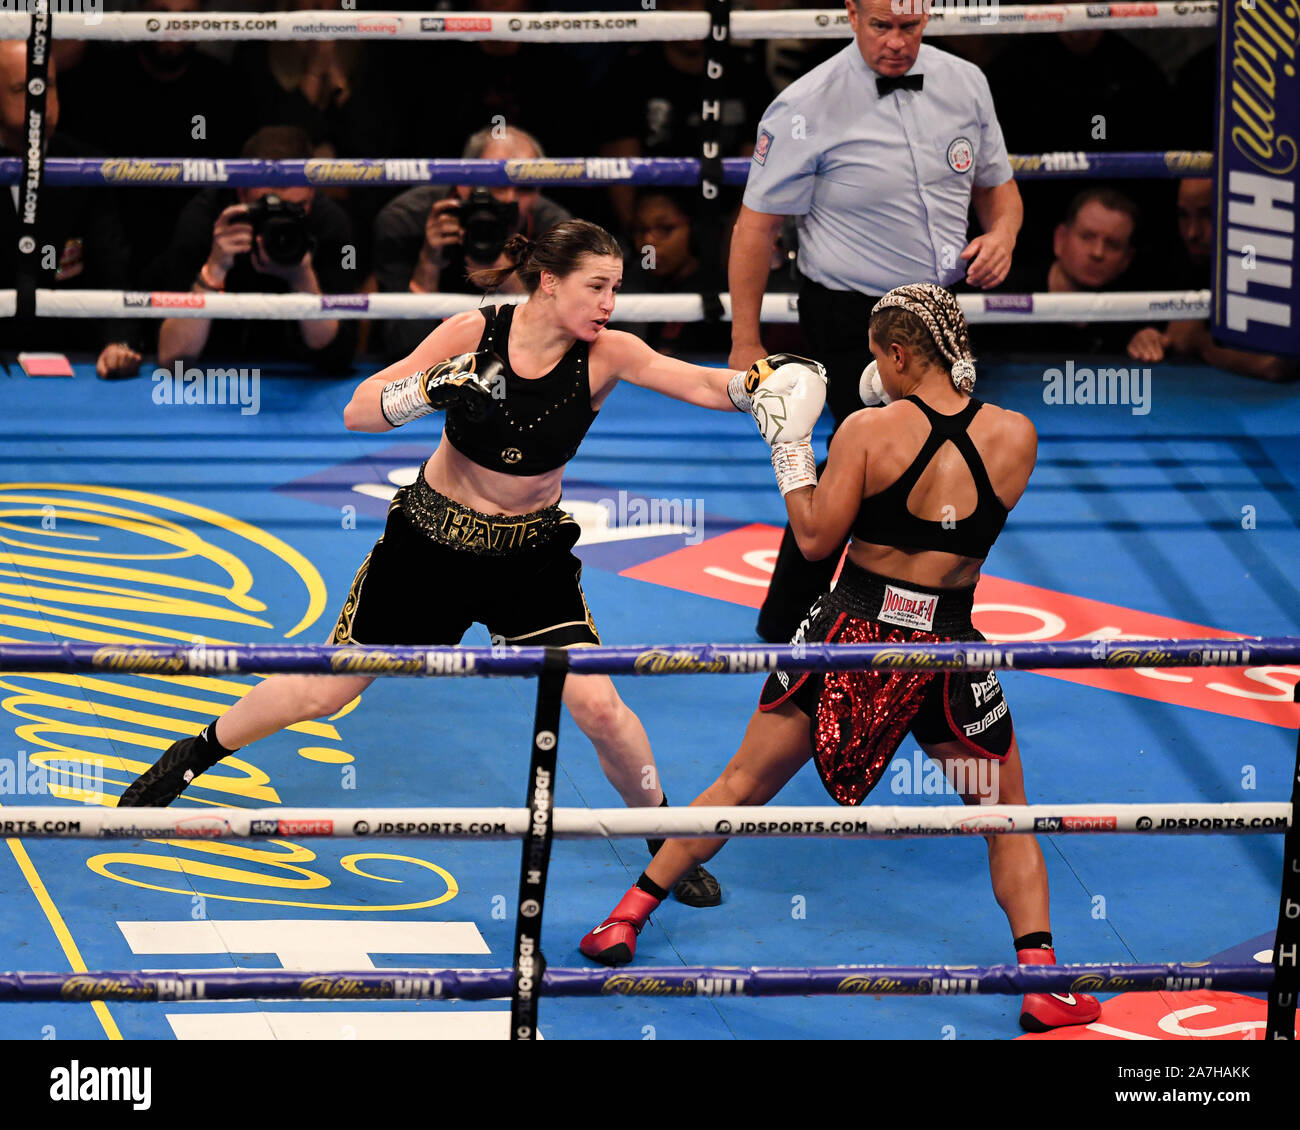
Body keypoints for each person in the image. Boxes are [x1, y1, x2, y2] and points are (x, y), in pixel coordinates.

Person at [118, 219, 826, 907]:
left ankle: (663, 844)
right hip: (427, 547)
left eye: (616, 288)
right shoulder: (473, 331)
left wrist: (761, 385)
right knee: (324, 693)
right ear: (549, 283)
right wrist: (425, 391)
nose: (609, 304)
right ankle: (192, 754)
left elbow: (704, 386)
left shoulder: (610, 352)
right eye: (597, 287)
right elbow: (358, 413)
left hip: (527, 558)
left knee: (601, 708)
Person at [580, 284, 1102, 1033]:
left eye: (878, 357)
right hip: (947, 648)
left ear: (896, 352)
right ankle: (1043, 979)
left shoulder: (867, 431)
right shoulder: (1017, 435)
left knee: (742, 782)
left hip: (851, 634)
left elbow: (817, 540)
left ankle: (624, 920)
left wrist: (788, 449)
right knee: (1006, 818)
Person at [728, 0, 1023, 643]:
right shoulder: (806, 104)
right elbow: (757, 226)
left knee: (942, 446)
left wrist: (1002, 234)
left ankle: (925, 618)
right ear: (852, 16)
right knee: (858, 457)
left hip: (939, 310)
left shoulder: (966, 83)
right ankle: (789, 626)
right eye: (881, 26)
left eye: (909, 27)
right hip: (851, 313)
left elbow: (1000, 188)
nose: (896, 43)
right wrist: (745, 341)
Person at [150, 126, 358, 374]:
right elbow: (173, 359)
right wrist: (213, 271)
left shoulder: (329, 223)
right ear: (241, 194)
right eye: (269, 206)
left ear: (311, 194)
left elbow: (338, 358)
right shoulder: (206, 219)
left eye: (296, 207)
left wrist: (304, 282)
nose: (282, 220)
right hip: (217, 372)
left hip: (300, 373)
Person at [0, 40, 141, 377]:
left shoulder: (87, 167)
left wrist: (117, 342)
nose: (40, 104)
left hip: (74, 357)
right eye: (23, 89)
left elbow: (113, 268)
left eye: (46, 86)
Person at [372, 125, 571, 361]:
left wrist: (511, 282)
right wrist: (428, 264)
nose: (510, 198)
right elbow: (402, 350)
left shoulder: (554, 230)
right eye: (498, 183)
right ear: (465, 183)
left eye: (525, 188)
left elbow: (562, 347)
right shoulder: (406, 220)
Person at [1126, 180, 1298, 382]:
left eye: (1208, 214)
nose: (1192, 233)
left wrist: (1199, 342)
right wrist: (1150, 341)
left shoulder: (1261, 256)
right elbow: (1173, 334)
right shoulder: (1184, 257)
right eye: (1183, 215)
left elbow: (1273, 364)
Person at [984, 187, 1146, 356]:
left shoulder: (1133, 316)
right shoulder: (1005, 296)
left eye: (1112, 244)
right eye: (1087, 237)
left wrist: (1146, 344)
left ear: (1127, 258)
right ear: (1060, 239)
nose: (1097, 252)